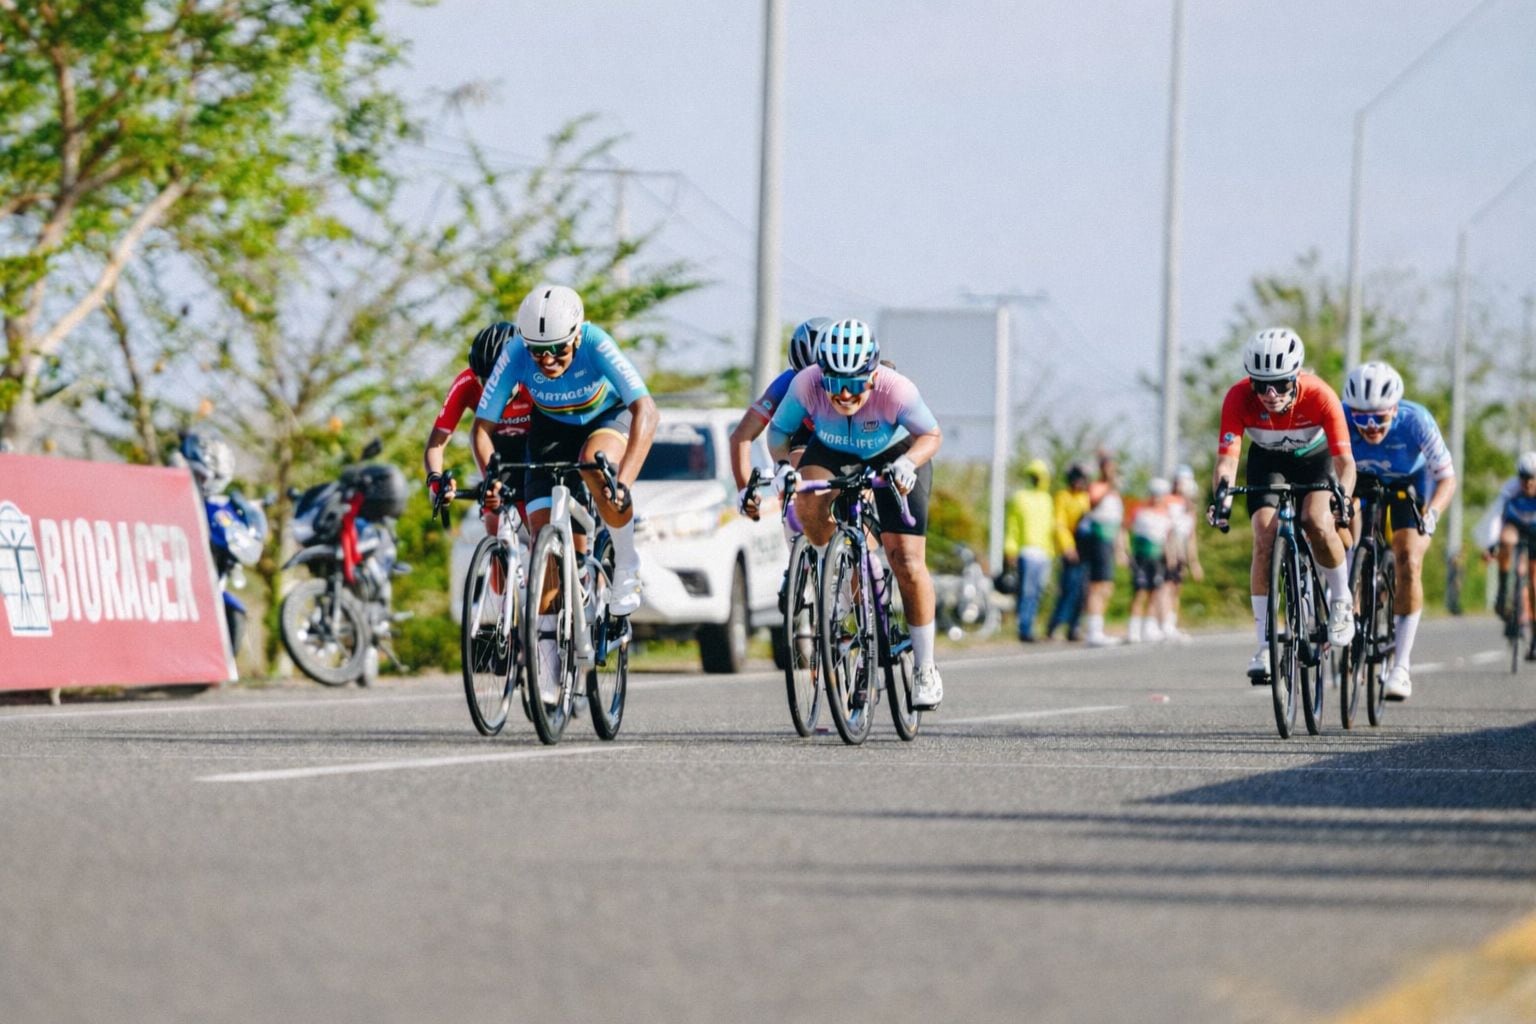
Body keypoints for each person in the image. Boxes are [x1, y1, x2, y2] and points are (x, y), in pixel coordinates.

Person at [472, 284, 659, 704]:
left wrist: (624, 482)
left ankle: (626, 562)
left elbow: (646, 410)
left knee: (595, 461)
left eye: (558, 349)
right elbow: (481, 430)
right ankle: (550, 669)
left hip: (604, 419)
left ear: (576, 335)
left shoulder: (596, 343)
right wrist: (492, 477)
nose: (548, 360)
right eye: (539, 352)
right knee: (546, 545)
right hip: (551, 429)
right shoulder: (517, 353)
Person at [765, 318, 947, 708]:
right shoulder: (805, 385)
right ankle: (838, 567)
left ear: (872, 374)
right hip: (833, 449)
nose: (844, 395)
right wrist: (782, 467)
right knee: (807, 501)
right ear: (821, 375)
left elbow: (931, 435)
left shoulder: (896, 390)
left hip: (894, 451)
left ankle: (925, 668)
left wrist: (909, 464)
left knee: (906, 559)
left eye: (853, 384)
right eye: (834, 384)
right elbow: (778, 434)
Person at [1207, 327, 1356, 683]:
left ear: (1297, 376)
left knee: (1315, 520)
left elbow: (1346, 463)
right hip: (1268, 460)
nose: (1270, 394)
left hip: (1314, 459)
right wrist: (1221, 499)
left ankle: (1341, 600)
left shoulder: (1320, 395)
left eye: (1281, 384)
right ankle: (1264, 645)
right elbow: (1226, 462)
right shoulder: (1237, 398)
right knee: (1264, 534)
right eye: (1261, 385)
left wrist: (1344, 498)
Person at [1340, 360, 1456, 699]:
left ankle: (1401, 666)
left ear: (1396, 409)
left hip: (1410, 484)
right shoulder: (1339, 417)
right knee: (1344, 539)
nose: (1371, 426)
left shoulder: (1416, 419)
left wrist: (1433, 512)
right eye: (1361, 417)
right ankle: (1348, 613)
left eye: (1380, 416)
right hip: (1359, 482)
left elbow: (1447, 478)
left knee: (1408, 558)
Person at [423, 321, 533, 535]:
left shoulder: (534, 379)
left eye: (501, 381)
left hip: (534, 443)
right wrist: (435, 480)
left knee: (534, 521)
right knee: (493, 512)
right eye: (485, 381)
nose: (493, 389)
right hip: (495, 447)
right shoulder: (466, 382)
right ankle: (498, 561)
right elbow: (436, 444)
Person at [731, 316, 829, 522]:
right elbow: (742, 435)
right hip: (806, 438)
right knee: (794, 474)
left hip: (851, 436)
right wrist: (745, 489)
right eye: (802, 379)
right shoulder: (786, 383)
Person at [1490, 451, 1536, 660]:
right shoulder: (1511, 489)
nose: (1528, 483)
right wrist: (1491, 543)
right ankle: (1502, 590)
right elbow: (1495, 515)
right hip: (1515, 526)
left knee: (1534, 582)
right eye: (1524, 477)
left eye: (1532, 478)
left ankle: (1534, 638)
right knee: (1506, 540)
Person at [1003, 459, 1055, 642]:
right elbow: (1012, 526)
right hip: (1026, 551)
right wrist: (1010, 548)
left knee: (1038, 592)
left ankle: (1030, 624)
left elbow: (1050, 528)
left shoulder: (1047, 499)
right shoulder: (1020, 497)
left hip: (1044, 553)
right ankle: (1024, 628)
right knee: (1027, 591)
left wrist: (1051, 551)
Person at [1079, 451, 1125, 647]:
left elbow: (1119, 523)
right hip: (1098, 538)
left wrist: (1122, 548)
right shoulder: (1098, 487)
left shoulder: (1116, 494)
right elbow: (1092, 503)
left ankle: (1098, 627)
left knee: (1107, 586)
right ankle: (1093, 631)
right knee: (1097, 585)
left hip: (1110, 539)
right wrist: (1108, 487)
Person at [1045, 463, 1091, 641]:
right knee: (1069, 589)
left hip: (1086, 549)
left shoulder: (1086, 497)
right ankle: (1054, 625)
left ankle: (1074, 627)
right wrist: (1067, 547)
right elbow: (1060, 524)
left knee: (1082, 591)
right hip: (1072, 549)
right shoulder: (1063, 497)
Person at [1160, 465, 1204, 641]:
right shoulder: (1168, 500)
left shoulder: (1190, 509)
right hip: (1167, 546)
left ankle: (1171, 622)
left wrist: (1194, 562)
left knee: (1177, 586)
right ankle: (1163, 624)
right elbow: (1164, 526)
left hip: (1181, 549)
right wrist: (1168, 551)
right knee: (1166, 585)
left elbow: (1191, 537)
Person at [1126, 477, 1172, 643]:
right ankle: (1133, 628)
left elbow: (1167, 538)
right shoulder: (1140, 511)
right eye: (1154, 494)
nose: (1157, 498)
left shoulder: (1166, 514)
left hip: (1157, 557)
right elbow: (1125, 530)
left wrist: (1169, 557)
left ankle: (1149, 627)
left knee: (1154, 592)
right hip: (1141, 556)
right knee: (1139, 591)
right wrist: (1125, 552)